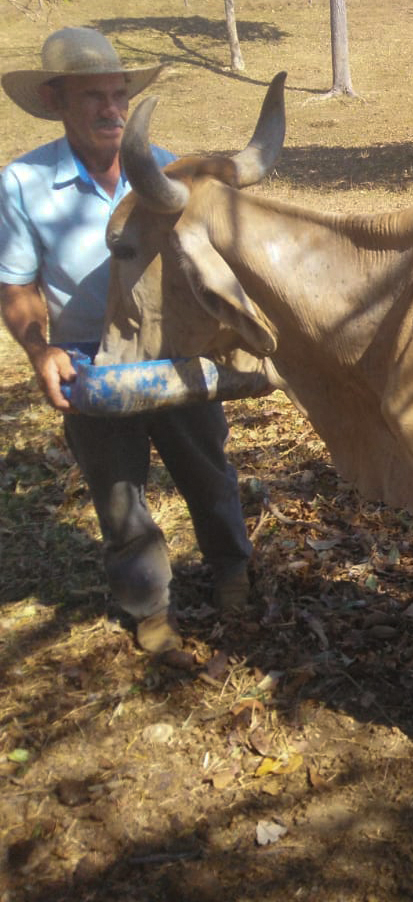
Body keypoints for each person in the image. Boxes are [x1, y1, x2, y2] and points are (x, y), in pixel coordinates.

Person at [0, 27, 253, 657]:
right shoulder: (23, 185)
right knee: (118, 496)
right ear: (57, 101)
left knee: (207, 467)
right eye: (95, 98)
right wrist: (41, 350)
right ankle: (150, 608)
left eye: (119, 95)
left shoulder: (161, 169)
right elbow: (17, 285)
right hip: (92, 365)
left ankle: (234, 571)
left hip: (173, 352)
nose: (113, 110)